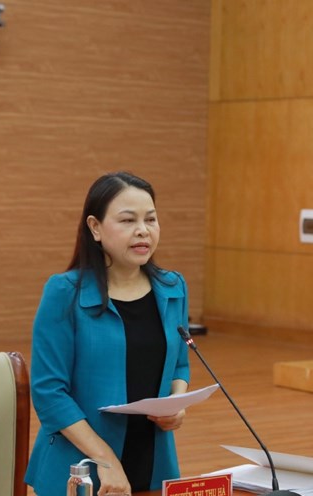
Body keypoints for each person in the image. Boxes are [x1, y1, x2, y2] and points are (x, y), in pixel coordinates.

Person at [24, 171, 191, 496]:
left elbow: (180, 364)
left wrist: (176, 402)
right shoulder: (65, 292)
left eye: (151, 219)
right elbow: (48, 392)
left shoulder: (173, 287)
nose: (143, 230)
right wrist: (105, 460)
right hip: (81, 469)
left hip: (153, 463)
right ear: (95, 227)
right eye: (128, 220)